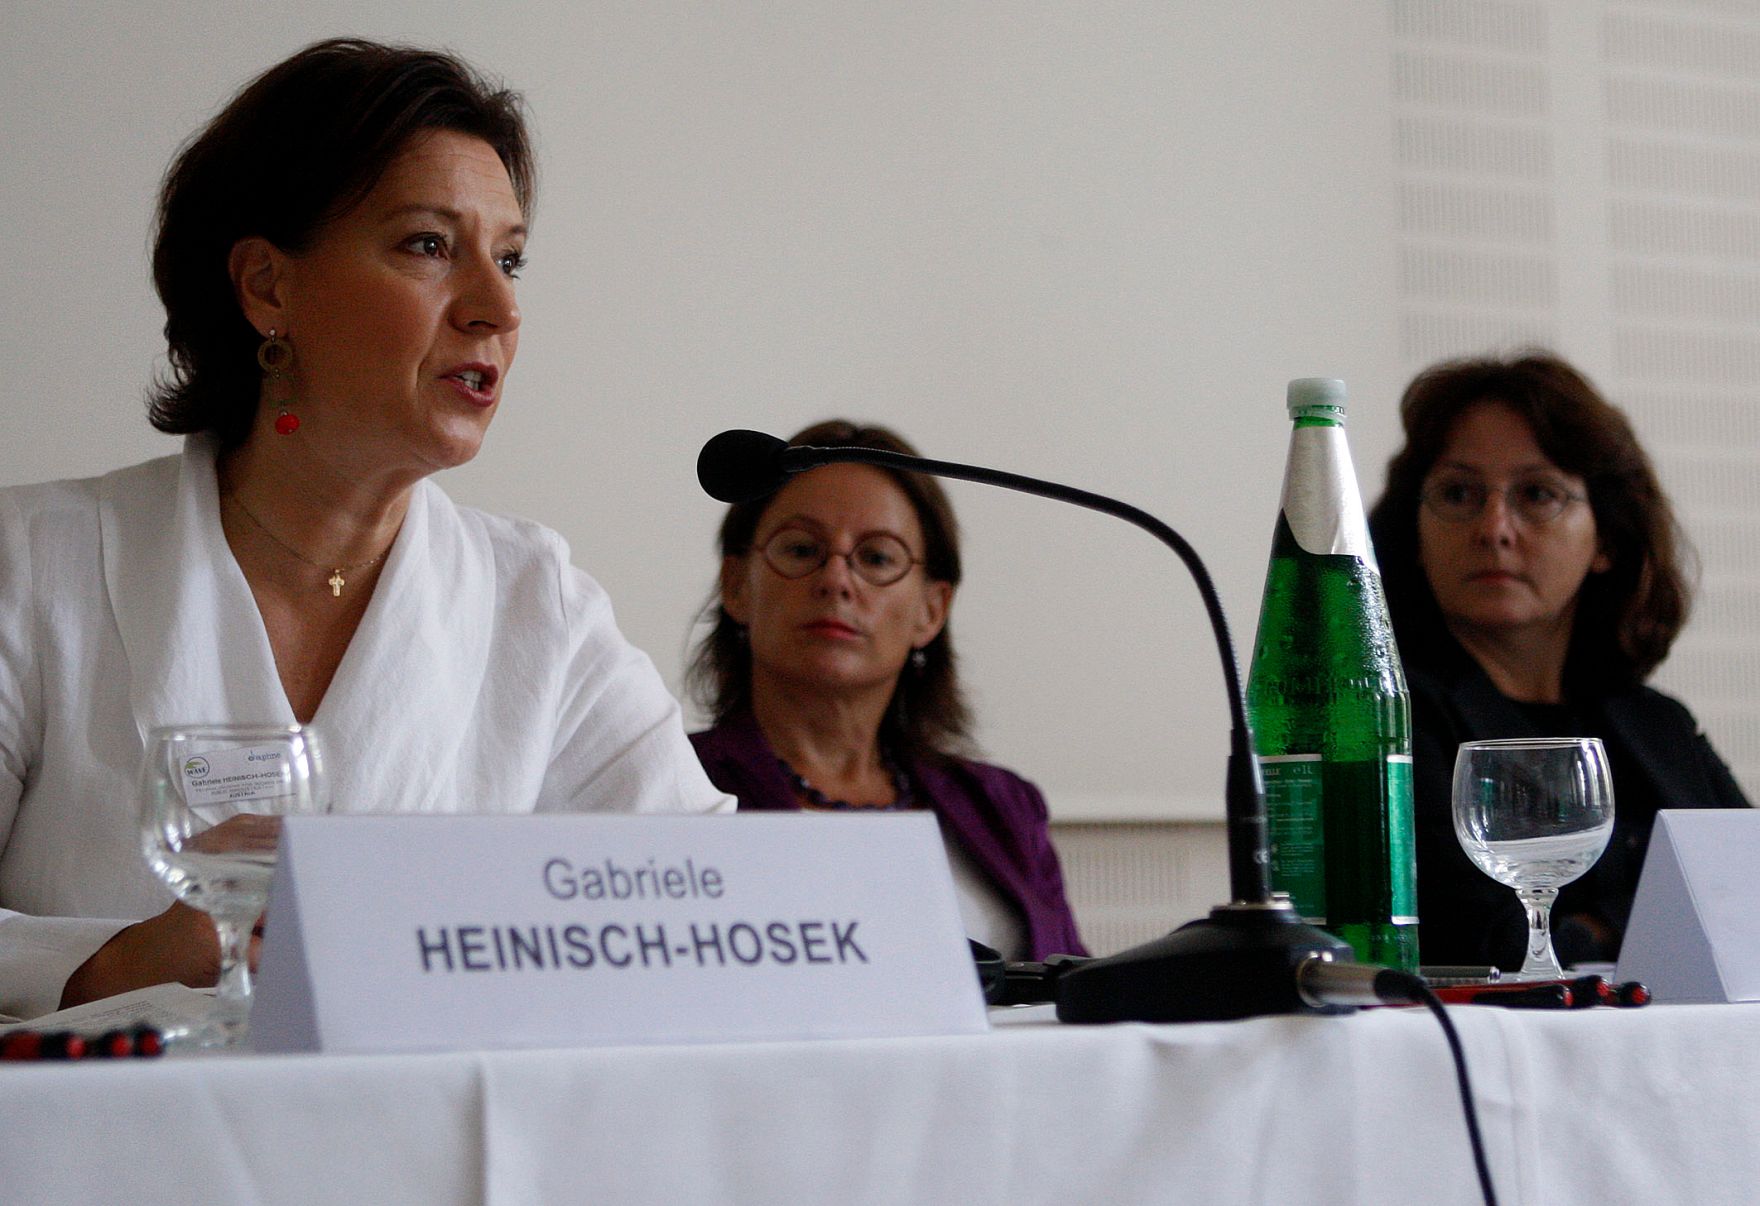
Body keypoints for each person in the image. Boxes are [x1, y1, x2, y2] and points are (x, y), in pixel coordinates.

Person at [0, 39, 730, 1021]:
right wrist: (122, 964)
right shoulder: (35, 565)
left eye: (509, 259)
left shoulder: (535, 603)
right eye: (430, 245)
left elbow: (709, 904)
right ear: (267, 286)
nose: (497, 307)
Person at [1368, 350, 1751, 970]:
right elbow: (1485, 945)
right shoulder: (1388, 716)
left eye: (1537, 494)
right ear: (1414, 532)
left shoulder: (1657, 723)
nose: (1494, 527)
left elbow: (1749, 906)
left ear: (1607, 538)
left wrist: (1601, 925)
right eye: (1459, 493)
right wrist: (1648, 924)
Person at [686, 421, 1086, 961]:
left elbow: (1082, 1002)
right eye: (802, 550)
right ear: (736, 586)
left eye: (876, 557)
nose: (836, 579)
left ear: (931, 609)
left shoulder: (1004, 806)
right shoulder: (675, 787)